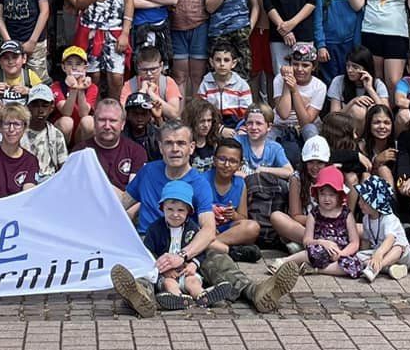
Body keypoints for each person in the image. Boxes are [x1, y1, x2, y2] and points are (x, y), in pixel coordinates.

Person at [111, 121, 302, 315]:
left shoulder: (199, 183)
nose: (175, 149)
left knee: (217, 257)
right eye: (168, 143)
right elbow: (118, 206)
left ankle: (256, 292)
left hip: (187, 245)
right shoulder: (147, 172)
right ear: (160, 147)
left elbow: (209, 229)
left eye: (181, 143)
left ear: (191, 147)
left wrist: (182, 256)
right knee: (141, 260)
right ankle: (142, 296)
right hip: (149, 241)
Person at [144, 182, 208, 309]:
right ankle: (179, 299)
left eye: (180, 210)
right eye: (170, 209)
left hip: (186, 271)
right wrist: (164, 269)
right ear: (163, 208)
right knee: (169, 284)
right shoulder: (155, 229)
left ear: (188, 211)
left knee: (193, 282)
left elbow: (200, 251)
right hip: (166, 273)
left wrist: (193, 264)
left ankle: (202, 296)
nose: (175, 214)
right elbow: (148, 252)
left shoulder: (193, 228)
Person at [77, 96, 147, 192]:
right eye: (102, 120)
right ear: (94, 122)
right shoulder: (80, 152)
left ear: (122, 124)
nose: (107, 126)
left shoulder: (136, 152)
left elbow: (133, 195)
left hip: (124, 205)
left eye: (113, 121)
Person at [0, 100, 42, 198]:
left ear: (24, 127)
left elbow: (26, 198)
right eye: (7, 124)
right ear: (0, 127)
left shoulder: (31, 161)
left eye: (16, 124)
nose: (11, 129)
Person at [22, 84, 70, 179]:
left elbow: (64, 167)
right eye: (35, 106)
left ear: (51, 107)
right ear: (28, 107)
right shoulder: (19, 133)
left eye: (45, 106)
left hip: (49, 180)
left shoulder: (56, 134)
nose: (40, 110)